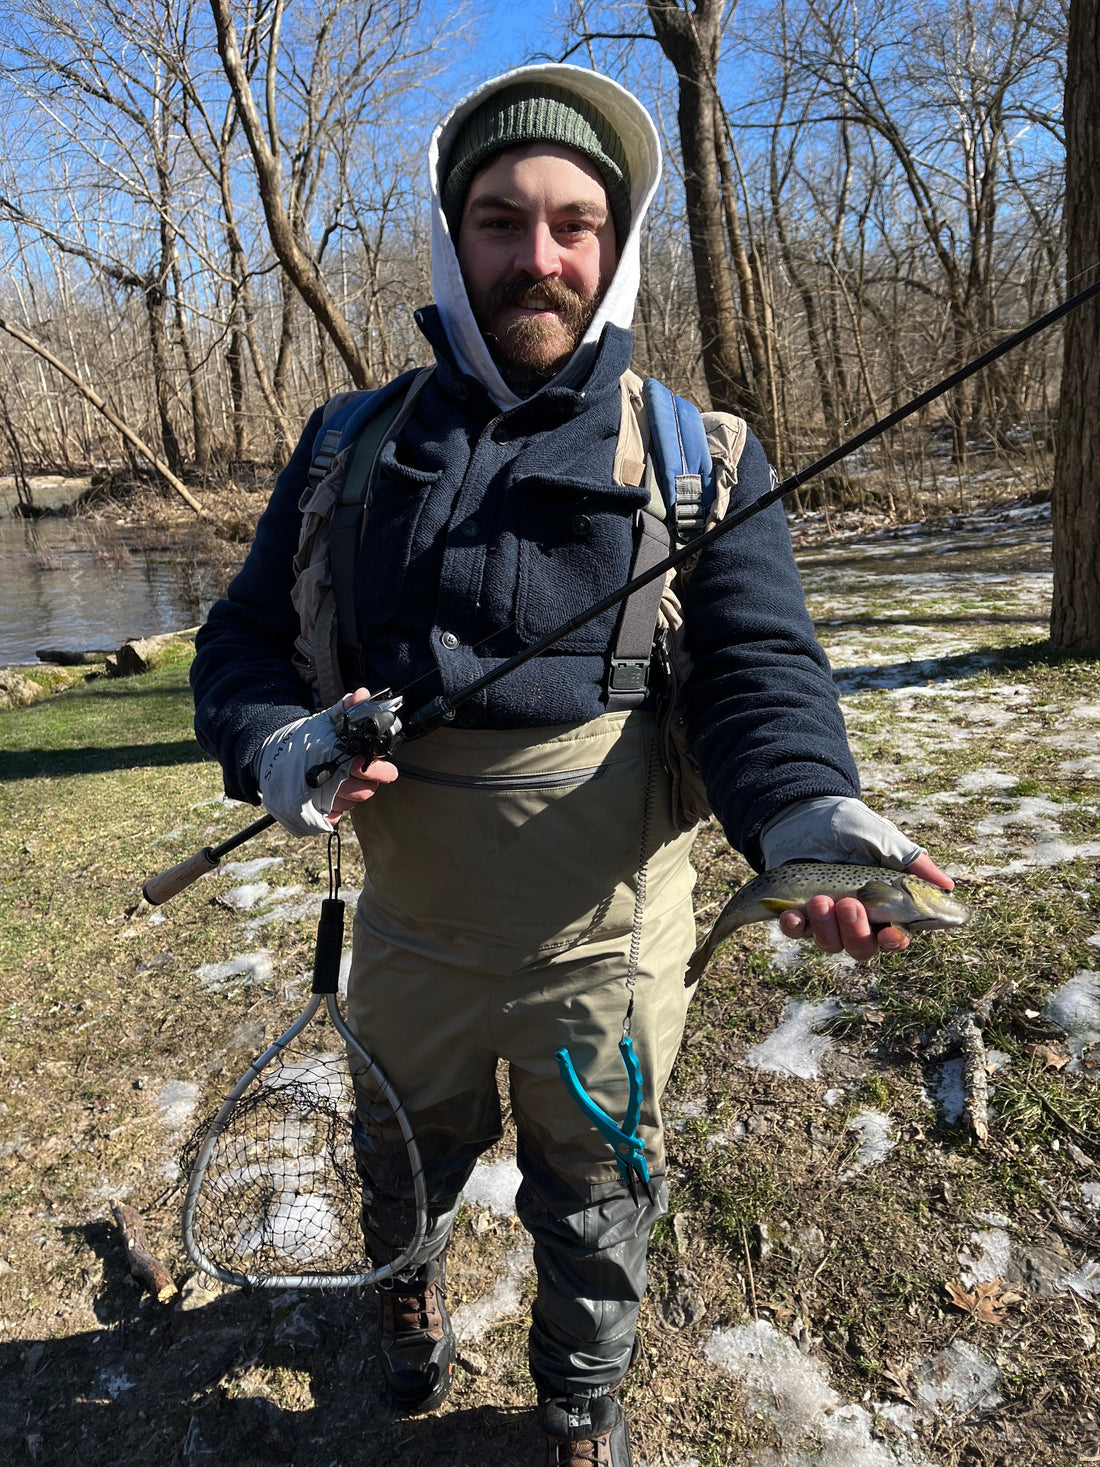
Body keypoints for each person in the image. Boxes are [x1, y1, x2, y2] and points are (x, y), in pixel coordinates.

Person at [191, 64, 953, 1467]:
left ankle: (580, 1402)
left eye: (572, 224)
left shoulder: (700, 457)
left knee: (597, 1188)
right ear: (448, 234)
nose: (536, 257)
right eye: (498, 219)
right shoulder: (345, 447)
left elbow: (758, 680)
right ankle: (405, 1305)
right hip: (409, 931)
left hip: (607, 943)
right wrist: (280, 742)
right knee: (400, 1153)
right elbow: (236, 652)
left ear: (617, 244)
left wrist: (811, 815)